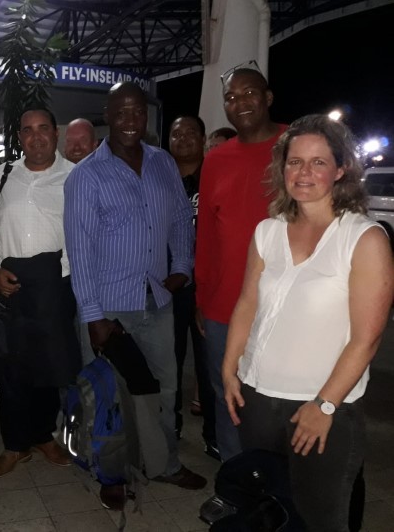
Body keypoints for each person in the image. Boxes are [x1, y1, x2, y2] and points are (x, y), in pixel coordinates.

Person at [223, 114, 393, 530]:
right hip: (257, 398)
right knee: (267, 513)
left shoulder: (363, 238)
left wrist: (324, 405)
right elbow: (247, 303)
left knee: (320, 519)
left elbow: (366, 339)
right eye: (294, 161)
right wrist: (229, 368)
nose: (303, 172)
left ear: (340, 169)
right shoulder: (268, 230)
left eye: (318, 162)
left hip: (320, 405)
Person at [64, 82, 206, 489]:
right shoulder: (86, 176)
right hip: (107, 307)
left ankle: (164, 464)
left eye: (138, 111)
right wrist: (93, 317)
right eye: (122, 112)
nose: (130, 120)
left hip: (156, 301)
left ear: (147, 116)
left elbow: (180, 219)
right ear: (107, 115)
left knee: (163, 389)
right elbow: (80, 251)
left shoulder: (162, 163)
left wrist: (182, 266)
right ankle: (109, 471)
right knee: (107, 394)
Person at [195, 65, 287, 461]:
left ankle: (278, 485)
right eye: (231, 97)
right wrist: (202, 297)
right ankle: (236, 483)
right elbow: (207, 236)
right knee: (227, 396)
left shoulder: (296, 146)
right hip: (224, 307)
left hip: (285, 306)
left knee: (280, 399)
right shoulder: (216, 160)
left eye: (249, 93)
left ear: (268, 97)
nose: (240, 102)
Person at [0, 107, 80, 478]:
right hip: (6, 282)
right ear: (19, 137)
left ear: (55, 134)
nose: (35, 137)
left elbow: (81, 231)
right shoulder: (4, 174)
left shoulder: (73, 176)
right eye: (27, 130)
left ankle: (43, 435)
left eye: (43, 129)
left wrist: (63, 276)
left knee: (48, 364)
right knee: (10, 367)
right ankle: (14, 445)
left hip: (54, 282)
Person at [167, 115, 218, 460]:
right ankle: (169, 428)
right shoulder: (161, 178)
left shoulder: (215, 176)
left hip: (208, 286)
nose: (183, 139)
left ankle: (214, 436)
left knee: (209, 366)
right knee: (167, 363)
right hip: (170, 286)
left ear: (202, 139)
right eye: (176, 134)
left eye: (190, 133)